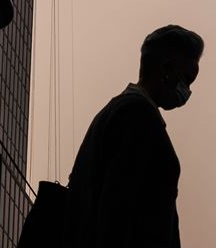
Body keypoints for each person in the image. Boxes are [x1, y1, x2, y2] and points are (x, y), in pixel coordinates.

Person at [64, 25, 203, 248]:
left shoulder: (117, 111)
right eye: (187, 78)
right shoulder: (138, 117)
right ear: (167, 68)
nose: (187, 90)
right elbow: (117, 208)